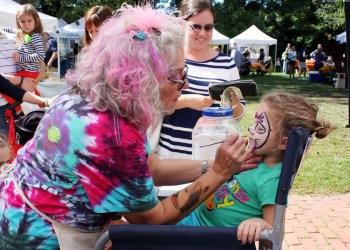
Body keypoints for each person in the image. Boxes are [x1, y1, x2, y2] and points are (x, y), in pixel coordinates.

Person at [0, 5, 260, 249]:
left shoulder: (103, 99)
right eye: (178, 76)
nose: (187, 85)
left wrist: (211, 164)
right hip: (37, 236)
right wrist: (218, 174)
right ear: (144, 77)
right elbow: (150, 219)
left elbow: (150, 167)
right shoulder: (112, 133)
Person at [178, 91, 335, 246]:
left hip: (207, 239)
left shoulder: (271, 180)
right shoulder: (253, 157)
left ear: (284, 143)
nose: (251, 130)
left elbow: (276, 234)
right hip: (193, 218)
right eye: (254, 124)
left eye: (260, 129)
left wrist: (259, 224)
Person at [156, 0, 245, 159]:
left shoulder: (227, 64)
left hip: (211, 156)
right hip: (170, 155)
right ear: (183, 24)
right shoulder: (169, 58)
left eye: (208, 27)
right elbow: (152, 103)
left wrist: (234, 104)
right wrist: (186, 101)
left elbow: (238, 115)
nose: (202, 33)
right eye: (196, 26)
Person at [0, 29, 44, 135]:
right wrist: (21, 80)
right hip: (3, 106)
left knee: (25, 143)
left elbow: (42, 64)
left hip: (21, 102)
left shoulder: (16, 38)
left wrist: (34, 82)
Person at [4, 4, 46, 113]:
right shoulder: (27, 35)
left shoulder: (36, 37)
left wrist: (21, 57)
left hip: (29, 72)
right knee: (29, 93)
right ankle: (39, 109)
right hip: (25, 72)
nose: (26, 24)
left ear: (36, 20)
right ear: (18, 22)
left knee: (5, 85)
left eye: (29, 20)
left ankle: (18, 108)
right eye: (22, 21)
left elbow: (41, 56)